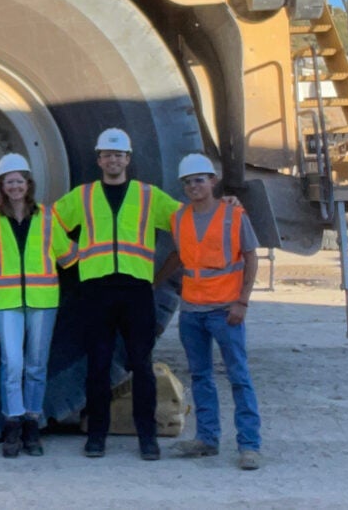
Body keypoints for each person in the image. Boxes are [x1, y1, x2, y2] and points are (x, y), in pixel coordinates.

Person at [53, 128, 180, 461]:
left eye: (119, 155)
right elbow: (47, 223)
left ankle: (147, 437)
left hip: (137, 290)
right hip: (95, 290)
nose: (113, 160)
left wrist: (161, 277)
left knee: (141, 364)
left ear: (128, 159)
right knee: (97, 365)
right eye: (107, 155)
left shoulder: (149, 196)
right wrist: (70, 257)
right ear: (99, 160)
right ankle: (96, 436)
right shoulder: (82, 197)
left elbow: (188, 222)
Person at [156, 153, 262, 470]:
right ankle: (207, 439)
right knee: (201, 377)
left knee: (239, 377)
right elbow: (179, 255)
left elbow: (251, 257)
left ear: (212, 181)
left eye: (199, 180)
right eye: (187, 183)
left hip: (226, 310)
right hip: (192, 311)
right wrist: (155, 281)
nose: (193, 186)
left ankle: (249, 446)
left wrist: (242, 301)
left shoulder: (233, 214)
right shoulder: (179, 218)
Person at [0, 153, 77, 457]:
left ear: (28, 184)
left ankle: (32, 425)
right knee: (12, 364)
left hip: (43, 301)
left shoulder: (46, 216)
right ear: (2, 186)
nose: (15, 186)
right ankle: (12, 425)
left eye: (19, 181)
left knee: (36, 366)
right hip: (7, 302)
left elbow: (68, 256)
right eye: (9, 182)